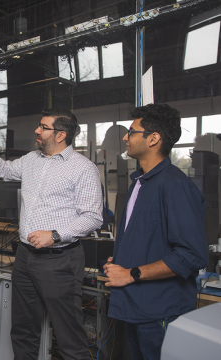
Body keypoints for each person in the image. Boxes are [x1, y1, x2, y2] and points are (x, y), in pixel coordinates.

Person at [0, 108, 103, 360]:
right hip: (25, 257)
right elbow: (6, 170)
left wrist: (54, 235)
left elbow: (92, 217)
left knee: (69, 336)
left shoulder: (83, 168)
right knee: (23, 329)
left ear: (60, 135)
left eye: (43, 127)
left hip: (59, 260)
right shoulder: (32, 159)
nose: (36, 130)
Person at [103, 103, 209, 360]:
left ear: (153, 139)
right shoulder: (140, 182)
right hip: (136, 306)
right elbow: (148, 237)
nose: (126, 137)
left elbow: (192, 255)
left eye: (132, 131)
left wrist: (131, 273)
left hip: (160, 311)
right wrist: (121, 260)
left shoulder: (174, 186)